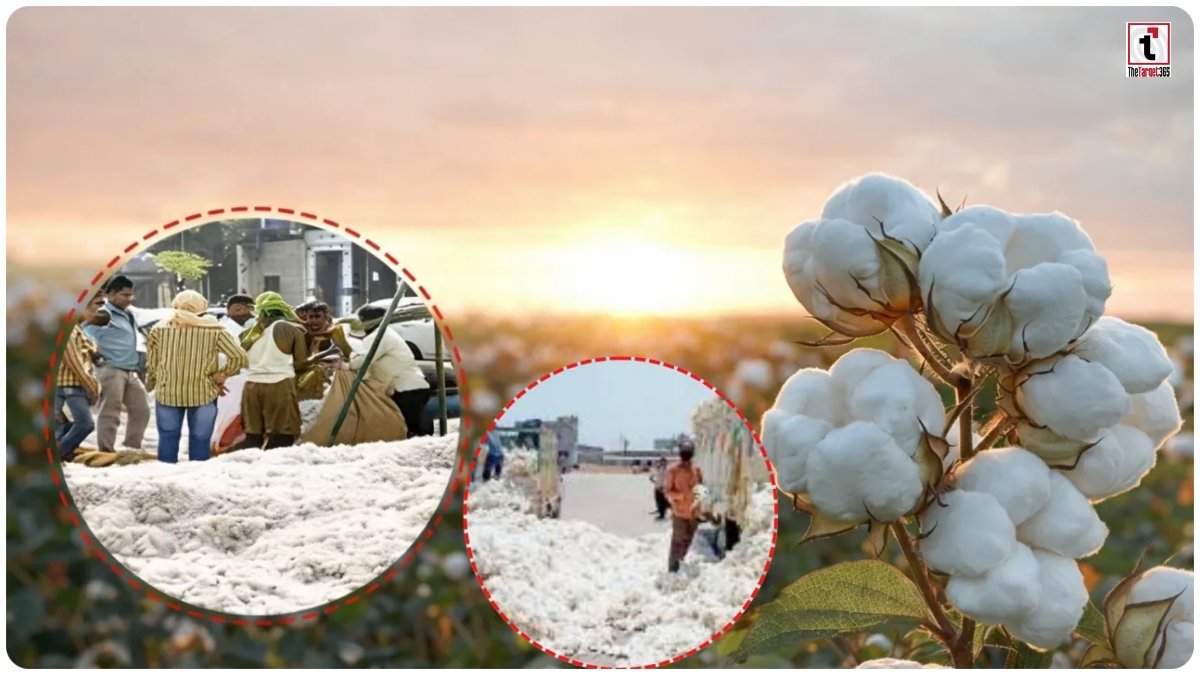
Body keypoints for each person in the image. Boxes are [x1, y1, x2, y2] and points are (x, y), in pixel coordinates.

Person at [146, 290, 249, 463]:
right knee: (200, 439)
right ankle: (198, 473)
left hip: (167, 393)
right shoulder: (214, 330)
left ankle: (166, 473)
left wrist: (154, 384)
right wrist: (223, 374)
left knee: (168, 436)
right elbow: (239, 357)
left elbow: (153, 364)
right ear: (202, 307)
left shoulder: (159, 329)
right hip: (204, 393)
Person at [230, 292, 310, 451]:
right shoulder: (289, 328)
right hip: (280, 386)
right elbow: (301, 363)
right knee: (283, 436)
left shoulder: (248, 332)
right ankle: (270, 464)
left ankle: (247, 464)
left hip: (251, 387)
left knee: (253, 437)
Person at [85, 275, 151, 452]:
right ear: (111, 294)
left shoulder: (128, 314)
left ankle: (131, 448)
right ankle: (106, 451)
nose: (129, 299)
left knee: (142, 410)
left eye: (131, 295)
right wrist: (95, 354)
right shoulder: (103, 314)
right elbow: (83, 333)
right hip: (111, 369)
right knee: (110, 412)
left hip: (130, 370)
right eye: (124, 295)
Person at [351, 305, 431, 438]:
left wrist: (346, 363)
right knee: (416, 432)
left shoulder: (379, 336)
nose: (359, 324)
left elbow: (361, 361)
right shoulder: (386, 333)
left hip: (406, 390)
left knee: (412, 433)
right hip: (414, 387)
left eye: (361, 320)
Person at [54, 292, 107, 461]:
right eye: (96, 307)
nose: (98, 312)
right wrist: (92, 386)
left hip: (69, 384)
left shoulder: (77, 329)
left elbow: (89, 349)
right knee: (85, 424)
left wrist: (95, 355)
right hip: (70, 384)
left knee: (61, 426)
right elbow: (74, 361)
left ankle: (62, 450)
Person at [297, 302, 354, 401]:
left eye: (317, 316)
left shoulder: (334, 331)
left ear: (326, 317)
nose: (313, 320)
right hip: (302, 368)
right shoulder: (302, 330)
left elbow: (348, 353)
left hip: (327, 372)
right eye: (311, 317)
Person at [665, 438, 704, 573]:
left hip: (694, 513)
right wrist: (682, 496)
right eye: (685, 452)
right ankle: (672, 571)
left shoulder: (696, 470)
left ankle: (680, 566)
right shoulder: (673, 470)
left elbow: (701, 488)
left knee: (688, 542)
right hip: (680, 513)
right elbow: (668, 491)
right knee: (677, 543)